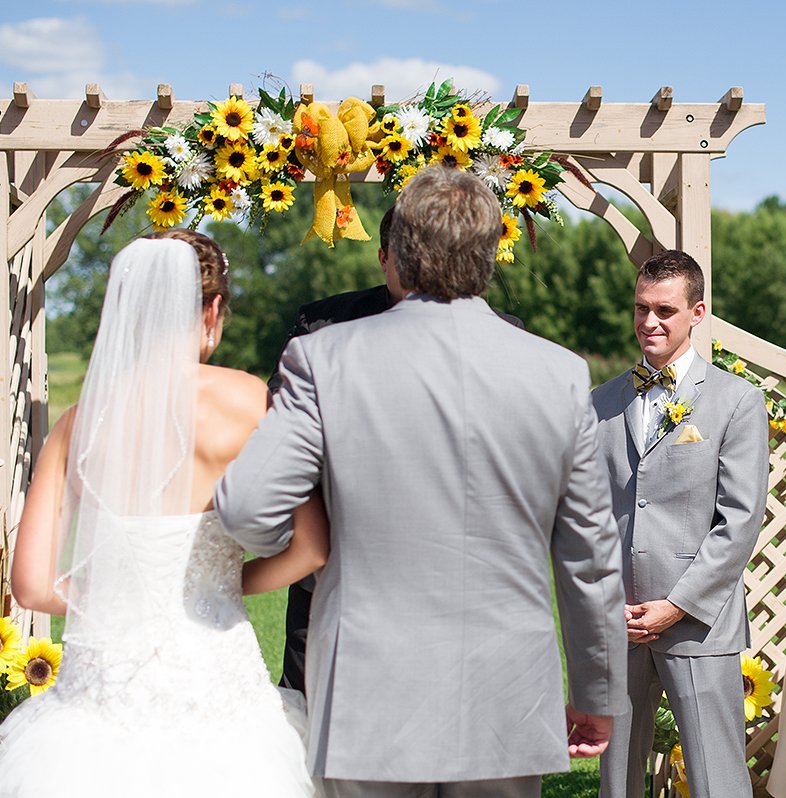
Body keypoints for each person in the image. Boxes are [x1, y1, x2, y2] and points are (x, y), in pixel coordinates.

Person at [215, 165, 627, 798]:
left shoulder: (321, 358)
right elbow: (590, 559)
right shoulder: (560, 373)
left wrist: (315, 538)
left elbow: (246, 509)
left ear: (399, 253)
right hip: (508, 693)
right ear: (491, 256)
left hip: (365, 690)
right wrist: (598, 691)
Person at [0, 230, 329, 797]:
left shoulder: (81, 422)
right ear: (212, 308)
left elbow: (30, 586)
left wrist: (114, 587)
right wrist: (223, 584)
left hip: (101, 690)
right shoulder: (249, 401)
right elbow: (312, 548)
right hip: (216, 681)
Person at [272, 206, 521, 693]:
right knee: (311, 699)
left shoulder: (503, 331)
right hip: (330, 557)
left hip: (450, 562)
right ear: (382, 257)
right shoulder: (321, 325)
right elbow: (280, 427)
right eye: (402, 257)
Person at [591, 249, 768, 798]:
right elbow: (588, 513)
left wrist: (676, 606)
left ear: (697, 312)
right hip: (617, 621)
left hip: (696, 621)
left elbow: (739, 520)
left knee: (716, 778)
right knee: (615, 779)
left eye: (664, 310)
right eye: (641, 308)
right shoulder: (601, 401)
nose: (649, 322)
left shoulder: (737, 401)